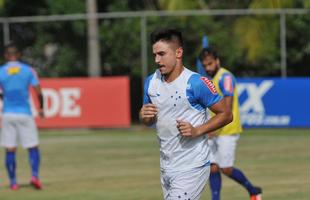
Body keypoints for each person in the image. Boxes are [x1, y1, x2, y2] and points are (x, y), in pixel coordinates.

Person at [139, 28, 232, 200]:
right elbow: (148, 120)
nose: (157, 60)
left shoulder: (196, 83)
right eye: (154, 55)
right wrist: (144, 116)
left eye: (161, 54)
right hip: (166, 166)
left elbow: (226, 114)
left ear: (178, 52)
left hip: (192, 166)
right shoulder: (151, 82)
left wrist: (197, 130)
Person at [199, 47, 262, 200]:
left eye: (210, 64)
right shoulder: (208, 80)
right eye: (205, 65)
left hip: (227, 129)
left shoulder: (225, 77)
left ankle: (253, 191)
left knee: (225, 168)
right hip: (213, 129)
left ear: (217, 61)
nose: (208, 68)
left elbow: (227, 107)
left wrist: (214, 127)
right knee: (212, 168)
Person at [0, 43, 44, 190]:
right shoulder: (28, 70)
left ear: (6, 56)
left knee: (10, 148)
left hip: (8, 114)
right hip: (25, 113)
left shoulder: (1, 71)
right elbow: (38, 91)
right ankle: (35, 176)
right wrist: (41, 108)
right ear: (18, 55)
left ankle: (13, 182)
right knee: (32, 147)